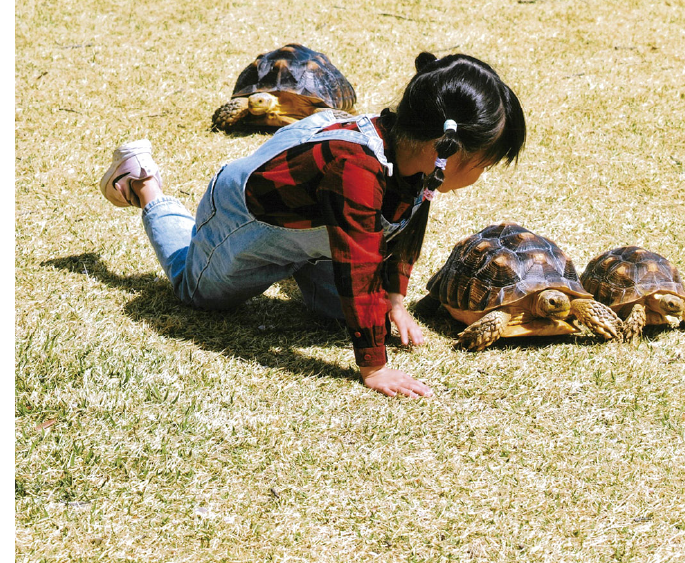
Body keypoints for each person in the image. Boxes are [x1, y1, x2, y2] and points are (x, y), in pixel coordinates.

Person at [98, 52, 526, 398]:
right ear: (445, 150)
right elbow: (358, 263)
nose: (483, 175)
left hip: (314, 229)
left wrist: (394, 299)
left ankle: (303, 264)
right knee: (199, 294)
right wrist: (373, 367)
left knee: (342, 315)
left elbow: (405, 227)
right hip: (247, 219)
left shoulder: (417, 163)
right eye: (484, 163)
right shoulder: (356, 170)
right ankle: (145, 183)